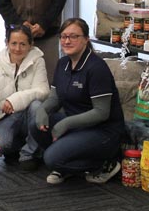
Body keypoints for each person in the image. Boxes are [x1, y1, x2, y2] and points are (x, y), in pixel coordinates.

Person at [30, 18, 125, 185]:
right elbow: (55, 97)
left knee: (51, 159)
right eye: (64, 36)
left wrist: (66, 123)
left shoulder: (96, 67)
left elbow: (101, 113)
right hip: (78, 127)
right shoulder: (63, 63)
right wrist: (42, 110)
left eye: (73, 36)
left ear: (86, 39)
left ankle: (104, 164)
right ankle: (67, 162)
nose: (67, 41)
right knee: (35, 125)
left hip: (102, 131)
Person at [0, 24, 50, 170]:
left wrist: (15, 100)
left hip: (30, 114)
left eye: (23, 44)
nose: (18, 49)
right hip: (7, 117)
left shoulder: (38, 61)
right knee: (0, 145)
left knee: (37, 105)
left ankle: (31, 153)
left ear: (31, 45)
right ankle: (15, 148)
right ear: (6, 43)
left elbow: (43, 91)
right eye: (14, 43)